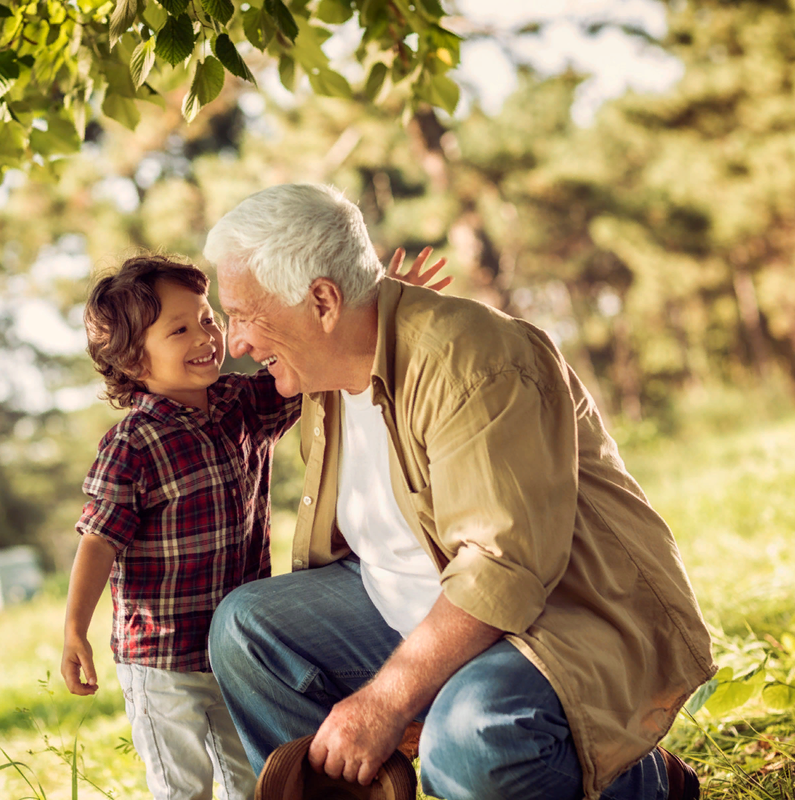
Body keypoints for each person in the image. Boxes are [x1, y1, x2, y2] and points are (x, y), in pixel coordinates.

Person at [203, 184, 716, 800]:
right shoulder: (326, 367)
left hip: (550, 618)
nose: (236, 343)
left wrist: (388, 699)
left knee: (468, 742)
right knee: (248, 629)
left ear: (322, 300)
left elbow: (503, 567)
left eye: (242, 314)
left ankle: (641, 784)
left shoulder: (473, 358)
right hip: (414, 610)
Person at [59, 255, 302, 800]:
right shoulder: (132, 444)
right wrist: (76, 629)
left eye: (208, 319)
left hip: (237, 652)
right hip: (162, 661)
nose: (206, 337)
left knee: (255, 781)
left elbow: (310, 369)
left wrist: (375, 309)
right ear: (131, 359)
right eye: (180, 329)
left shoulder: (242, 404)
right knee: (181, 788)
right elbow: (98, 541)